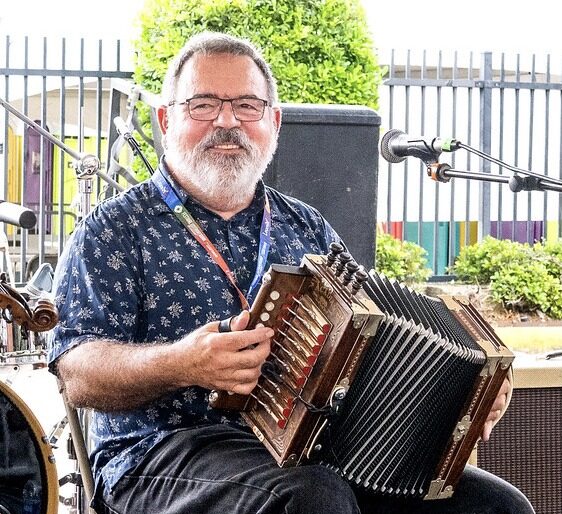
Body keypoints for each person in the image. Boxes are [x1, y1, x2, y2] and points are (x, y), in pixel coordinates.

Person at [48, 32, 534, 514]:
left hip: (318, 451)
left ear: (274, 123)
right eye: (202, 105)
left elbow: (367, 350)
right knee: (312, 496)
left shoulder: (306, 225)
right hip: (161, 452)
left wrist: (469, 396)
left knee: (495, 505)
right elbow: (77, 374)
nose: (226, 121)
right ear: (165, 119)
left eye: (247, 106)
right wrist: (183, 363)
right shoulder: (114, 228)